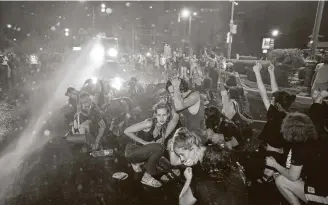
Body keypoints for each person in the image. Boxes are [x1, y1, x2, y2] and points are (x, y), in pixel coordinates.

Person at [171, 127, 247, 205]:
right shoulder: (217, 151)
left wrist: (188, 179)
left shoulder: (200, 179)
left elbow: (182, 203)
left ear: (193, 148)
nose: (182, 159)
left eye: (182, 154)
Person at [266, 112, 328, 205]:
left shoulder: (299, 148)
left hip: (324, 196)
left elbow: (292, 176)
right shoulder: (317, 140)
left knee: (281, 180)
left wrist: (274, 164)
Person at [252, 62, 296, 182]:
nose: (272, 100)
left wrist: (257, 72)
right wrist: (271, 72)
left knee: (265, 176)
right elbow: (276, 93)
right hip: (282, 152)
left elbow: (263, 94)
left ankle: (267, 180)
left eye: (274, 100)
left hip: (272, 156)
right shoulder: (287, 115)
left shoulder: (275, 116)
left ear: (277, 104)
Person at [124, 102, 179, 187]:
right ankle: (146, 177)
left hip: (144, 154)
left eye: (164, 115)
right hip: (132, 151)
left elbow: (175, 118)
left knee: (166, 167)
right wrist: (145, 142)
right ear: (155, 115)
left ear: (168, 115)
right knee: (159, 148)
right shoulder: (149, 123)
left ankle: (138, 163)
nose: (161, 118)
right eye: (159, 115)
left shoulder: (164, 128)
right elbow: (127, 131)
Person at [166, 78, 206, 143]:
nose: (172, 96)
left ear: (181, 90)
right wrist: (162, 138)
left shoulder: (195, 95)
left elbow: (178, 106)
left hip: (199, 139)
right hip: (188, 138)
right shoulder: (177, 100)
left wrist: (176, 87)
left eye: (173, 93)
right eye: (170, 93)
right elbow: (173, 121)